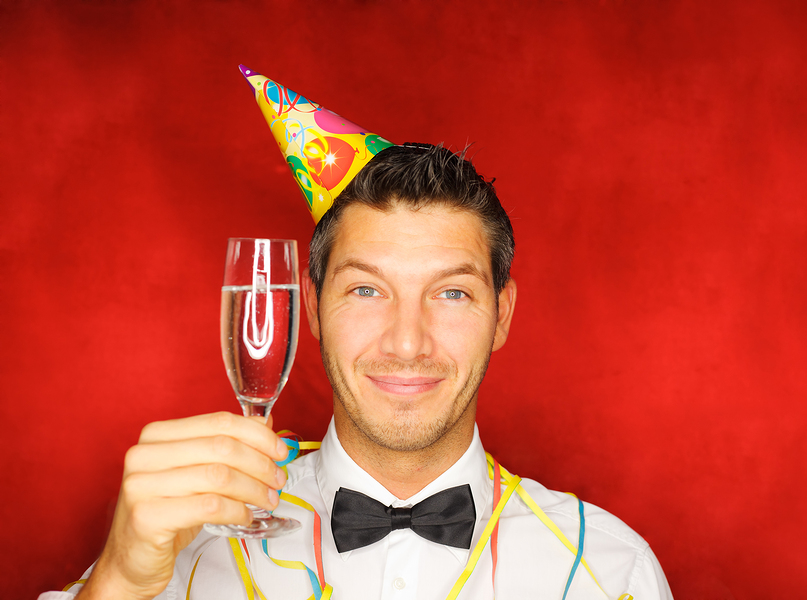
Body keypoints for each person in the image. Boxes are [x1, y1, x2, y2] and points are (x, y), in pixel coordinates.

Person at [41, 143, 672, 600]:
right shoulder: (181, 543)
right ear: (312, 308)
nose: (407, 342)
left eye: (452, 293)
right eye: (367, 290)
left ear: (501, 315)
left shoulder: (609, 570)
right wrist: (118, 582)